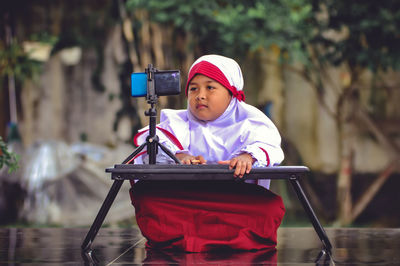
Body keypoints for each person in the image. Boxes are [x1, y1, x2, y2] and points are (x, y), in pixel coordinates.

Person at [129, 54, 285, 252]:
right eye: (193, 89)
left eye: (210, 87)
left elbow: (268, 145)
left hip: (235, 200)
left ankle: (193, 237)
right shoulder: (178, 122)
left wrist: (248, 157)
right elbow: (152, 146)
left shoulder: (250, 122)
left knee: (269, 208)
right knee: (147, 198)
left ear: (231, 93)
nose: (200, 95)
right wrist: (178, 156)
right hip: (184, 199)